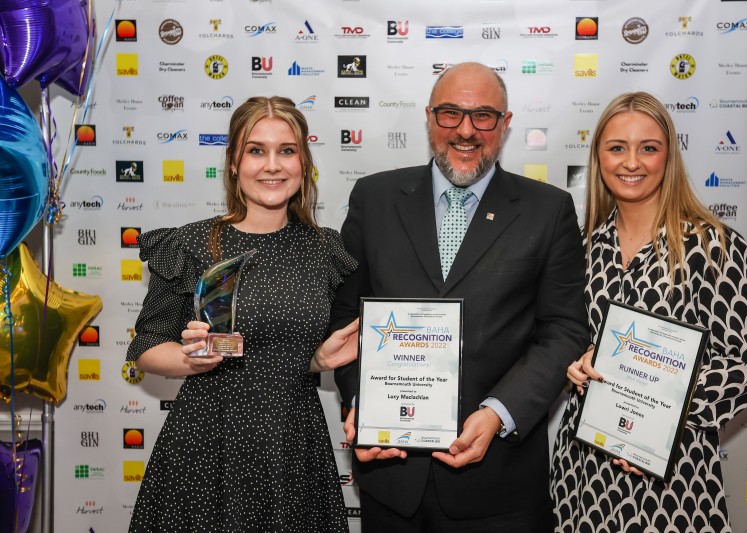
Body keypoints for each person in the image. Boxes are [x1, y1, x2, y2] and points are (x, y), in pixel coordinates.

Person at [331, 62, 589, 531]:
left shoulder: (548, 210)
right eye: (450, 113)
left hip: (499, 486)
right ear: (429, 117)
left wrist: (498, 414)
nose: (465, 131)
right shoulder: (374, 197)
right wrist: (360, 403)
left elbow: (564, 330)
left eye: (484, 116)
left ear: (506, 124)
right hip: (390, 479)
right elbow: (345, 317)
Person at [126, 96, 360, 532]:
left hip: (292, 446)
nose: (272, 165)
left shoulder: (325, 249)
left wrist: (318, 360)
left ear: (304, 162)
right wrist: (187, 358)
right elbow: (145, 347)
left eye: (286, 150)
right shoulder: (193, 244)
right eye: (256, 150)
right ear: (233, 162)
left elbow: (285, 351)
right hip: (207, 450)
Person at [550, 92, 747, 532]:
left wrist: (664, 419)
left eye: (648, 148)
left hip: (670, 476)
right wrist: (573, 365)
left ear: (668, 156)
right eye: (617, 147)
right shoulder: (580, 248)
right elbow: (565, 339)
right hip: (582, 472)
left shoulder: (714, 248)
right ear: (598, 156)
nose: (631, 162)